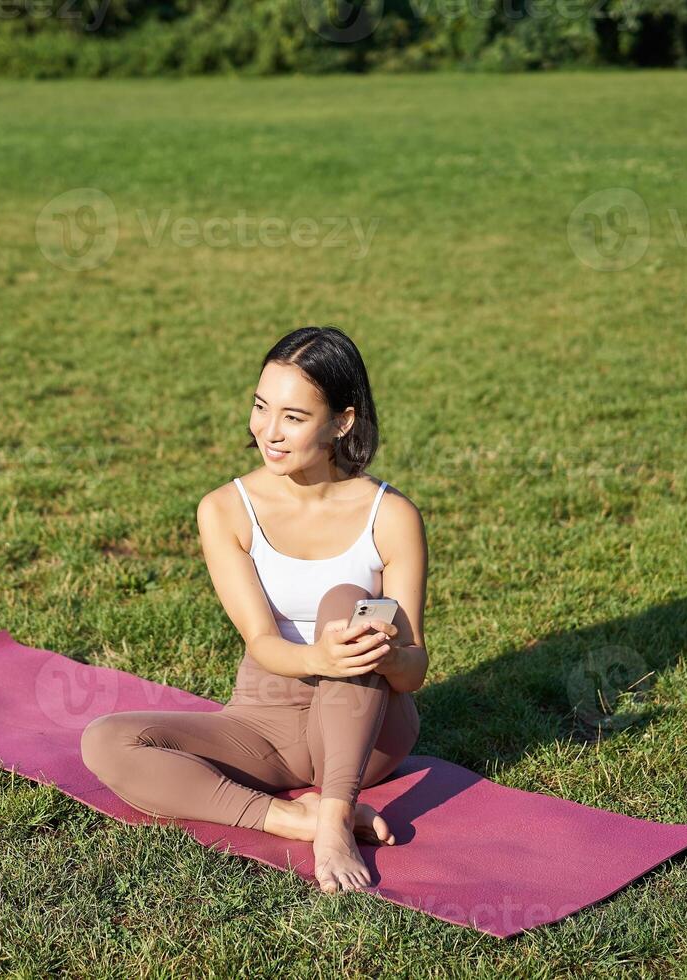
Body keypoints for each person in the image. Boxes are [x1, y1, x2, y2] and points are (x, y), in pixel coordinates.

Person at [80, 325, 429, 895]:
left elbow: (414, 671)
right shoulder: (224, 509)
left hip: (367, 732)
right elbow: (262, 643)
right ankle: (299, 820)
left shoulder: (390, 515)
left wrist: (382, 655)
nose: (268, 431)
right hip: (263, 721)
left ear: (342, 422)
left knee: (346, 601)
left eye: (293, 416)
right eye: (261, 407)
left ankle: (337, 814)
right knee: (106, 739)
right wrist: (317, 655)